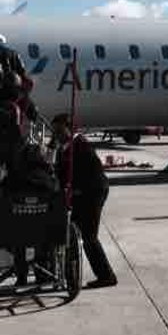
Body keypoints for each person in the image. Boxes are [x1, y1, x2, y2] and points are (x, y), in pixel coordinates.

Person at [51, 113, 117, 288]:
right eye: (55, 131)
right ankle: (70, 274)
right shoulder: (66, 147)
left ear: (70, 128)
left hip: (92, 193)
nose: (56, 135)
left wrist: (74, 189)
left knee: (89, 236)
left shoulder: (80, 145)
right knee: (71, 233)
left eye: (59, 131)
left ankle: (106, 276)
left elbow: (89, 174)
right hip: (81, 194)